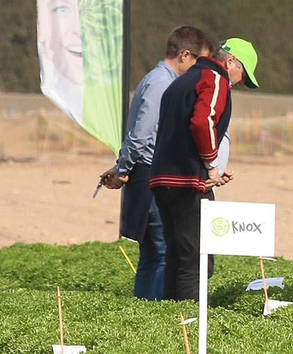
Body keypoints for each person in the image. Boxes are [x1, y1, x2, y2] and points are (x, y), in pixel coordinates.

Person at [98, 25, 221, 299]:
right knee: (164, 254)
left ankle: (143, 315)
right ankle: (158, 317)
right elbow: (141, 134)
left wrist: (123, 164)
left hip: (145, 173)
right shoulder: (163, 83)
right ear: (184, 55)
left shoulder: (154, 79)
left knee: (151, 256)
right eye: (198, 62)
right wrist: (123, 168)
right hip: (152, 174)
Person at [150, 37, 259, 302]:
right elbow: (202, 122)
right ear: (231, 61)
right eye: (243, 73)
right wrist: (211, 166)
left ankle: (169, 321)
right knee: (197, 261)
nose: (241, 81)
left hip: (163, 179)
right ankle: (189, 323)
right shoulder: (215, 78)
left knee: (176, 257)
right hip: (187, 182)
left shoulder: (183, 80)